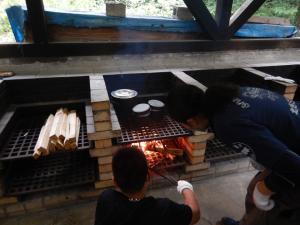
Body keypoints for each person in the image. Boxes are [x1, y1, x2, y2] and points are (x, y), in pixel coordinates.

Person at [167, 84, 300, 225]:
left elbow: (293, 166)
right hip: (292, 144)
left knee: (267, 215)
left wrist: (267, 186)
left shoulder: (226, 125)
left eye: (183, 125)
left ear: (191, 121)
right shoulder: (225, 94)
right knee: (253, 190)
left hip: (295, 162)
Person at [94, 147, 200, 225]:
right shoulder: (163, 209)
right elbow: (195, 214)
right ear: (148, 177)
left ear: (115, 181)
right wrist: (186, 188)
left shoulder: (106, 199)